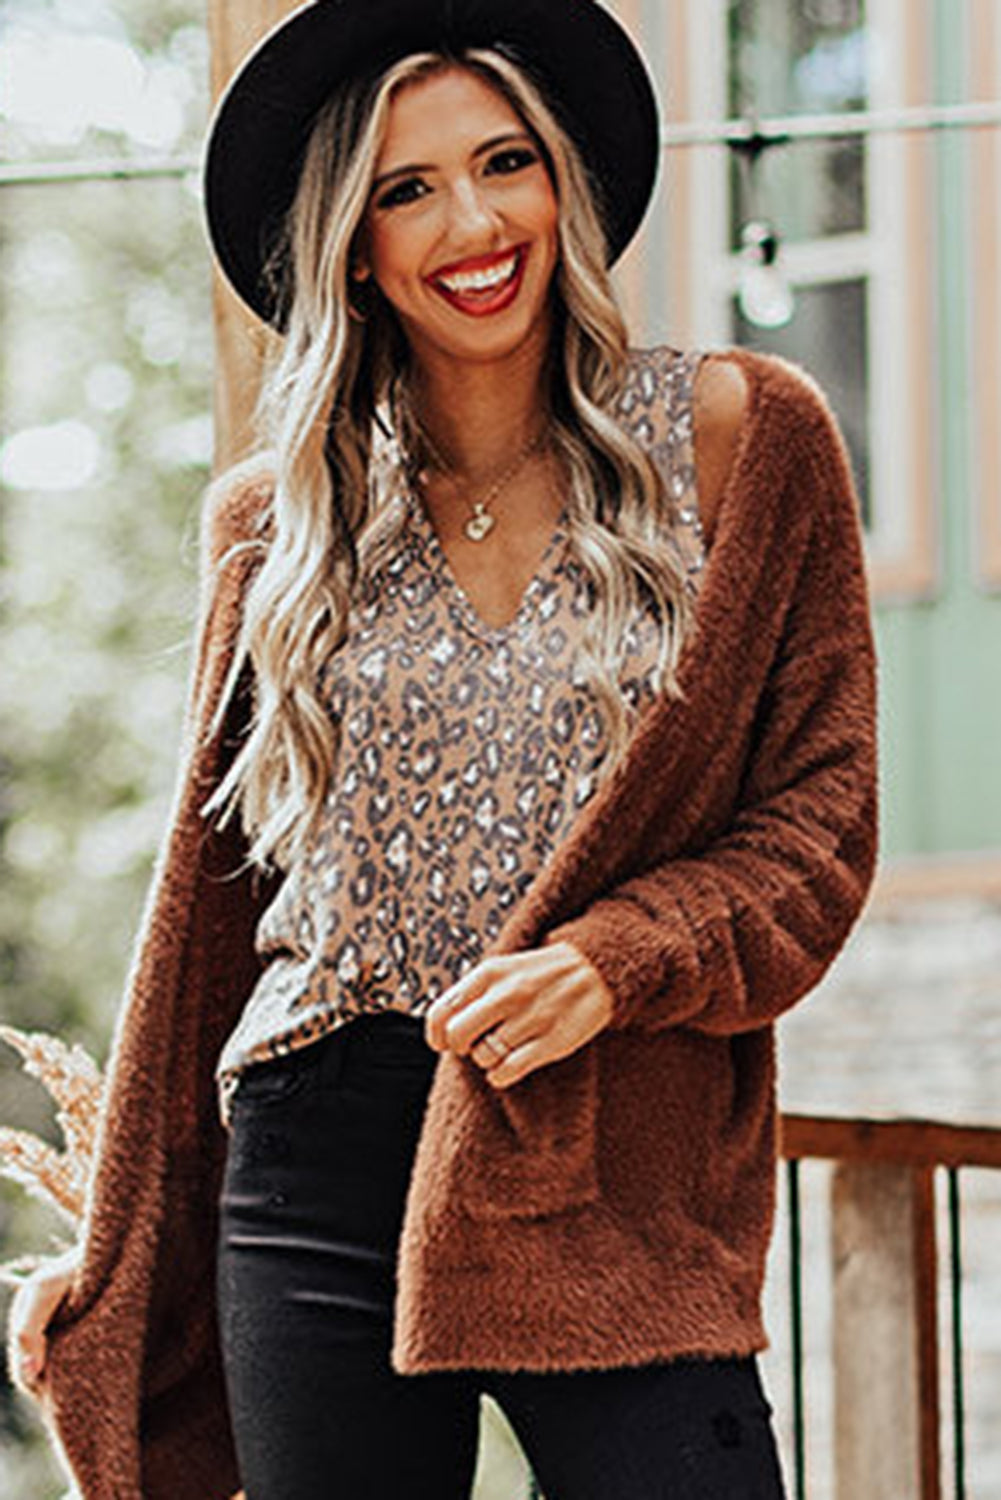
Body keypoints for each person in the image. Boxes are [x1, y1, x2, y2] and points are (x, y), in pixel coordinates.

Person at [5, 2, 879, 1497]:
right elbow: (206, 922)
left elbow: (820, 821)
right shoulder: (271, 526)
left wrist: (617, 958)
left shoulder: (737, 436)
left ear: (564, 186)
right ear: (352, 240)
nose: (471, 221)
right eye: (407, 189)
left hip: (606, 1147)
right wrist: (119, 1258)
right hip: (313, 1154)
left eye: (505, 163)